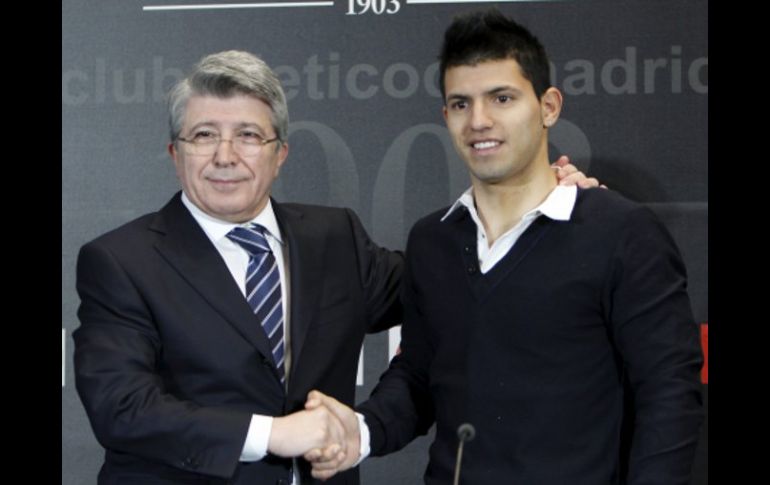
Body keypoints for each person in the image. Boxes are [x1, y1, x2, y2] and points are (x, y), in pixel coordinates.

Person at [72, 49, 598, 485]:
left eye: (249, 136)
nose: (225, 156)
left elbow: (453, 284)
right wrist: (274, 435)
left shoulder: (334, 237)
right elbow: (123, 408)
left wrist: (534, 211)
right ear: (173, 151)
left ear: (281, 154)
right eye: (204, 135)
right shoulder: (120, 260)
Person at [306, 10, 704, 485]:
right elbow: (418, 376)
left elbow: (668, 395)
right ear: (446, 116)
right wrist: (363, 431)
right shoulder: (432, 240)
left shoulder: (622, 233)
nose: (479, 121)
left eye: (502, 98)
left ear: (549, 106)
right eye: (460, 104)